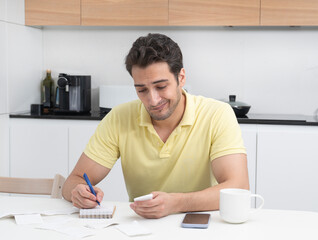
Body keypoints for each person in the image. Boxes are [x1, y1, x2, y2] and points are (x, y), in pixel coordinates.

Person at [62, 33, 249, 219]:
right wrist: (77, 192)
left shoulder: (217, 114)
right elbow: (74, 180)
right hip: (142, 227)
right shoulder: (119, 118)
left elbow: (238, 186)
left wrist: (176, 203)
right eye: (142, 90)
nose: (152, 100)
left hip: (200, 226)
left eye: (161, 87)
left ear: (181, 77)